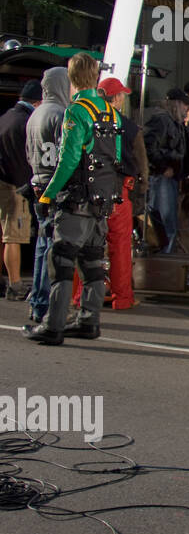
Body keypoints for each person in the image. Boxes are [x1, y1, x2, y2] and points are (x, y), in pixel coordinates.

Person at [24, 54, 123, 346]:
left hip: (76, 199)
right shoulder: (110, 111)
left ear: (72, 78)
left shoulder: (77, 111)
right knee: (93, 263)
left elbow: (68, 161)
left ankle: (52, 325)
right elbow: (116, 157)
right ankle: (89, 320)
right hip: (102, 200)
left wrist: (48, 194)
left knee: (62, 260)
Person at [24, 66, 71, 322]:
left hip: (36, 181)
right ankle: (44, 303)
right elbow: (64, 157)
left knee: (42, 245)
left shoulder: (36, 113)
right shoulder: (60, 114)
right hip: (53, 186)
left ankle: (37, 300)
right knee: (53, 246)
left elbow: (28, 153)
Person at [99, 78, 148, 311]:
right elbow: (142, 164)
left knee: (88, 245)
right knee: (119, 247)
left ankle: (80, 296)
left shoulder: (89, 121)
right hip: (120, 192)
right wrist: (143, 189)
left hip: (94, 190)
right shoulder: (129, 127)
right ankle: (122, 298)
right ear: (117, 98)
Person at [0, 78, 41, 300]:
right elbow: (23, 160)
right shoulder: (26, 122)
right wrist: (27, 187)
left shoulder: (6, 117)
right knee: (13, 237)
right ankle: (15, 285)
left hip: (2, 181)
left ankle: (5, 281)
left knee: (4, 234)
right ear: (38, 102)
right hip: (14, 186)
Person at [143, 88, 189, 253]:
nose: (188, 110)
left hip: (170, 177)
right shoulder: (162, 121)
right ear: (176, 104)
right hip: (161, 178)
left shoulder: (176, 123)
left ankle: (164, 257)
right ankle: (162, 260)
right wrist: (163, 167)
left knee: (168, 223)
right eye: (185, 105)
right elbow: (148, 147)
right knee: (164, 224)